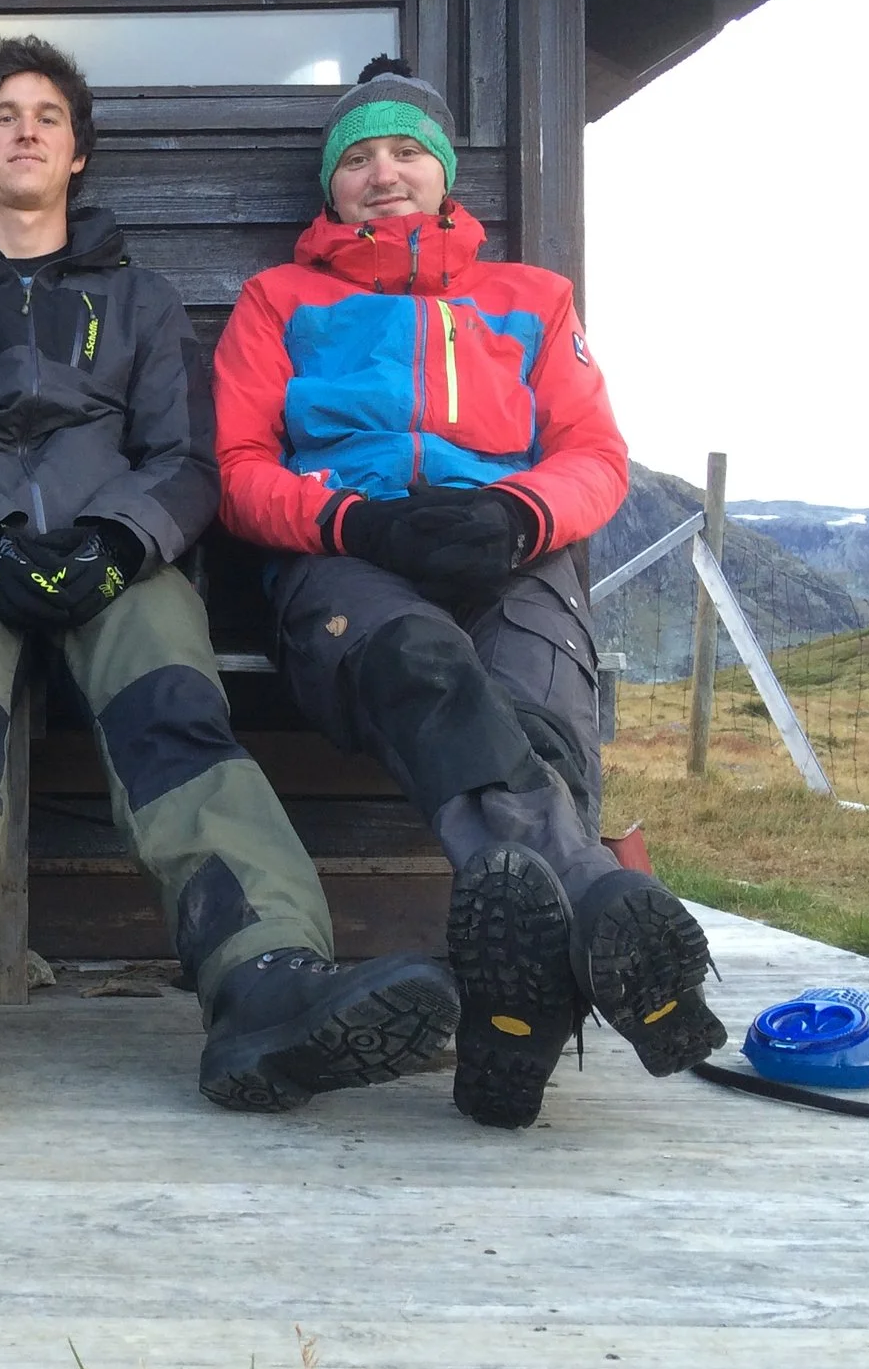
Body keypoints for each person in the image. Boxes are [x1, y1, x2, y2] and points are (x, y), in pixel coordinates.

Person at [0, 35, 461, 1115]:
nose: (24, 130)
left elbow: (189, 459)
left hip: (121, 564)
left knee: (175, 723)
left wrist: (117, 541)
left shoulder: (140, 299)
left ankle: (266, 980)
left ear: (77, 156)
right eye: (4, 114)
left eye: (47, 117)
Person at [211, 56, 725, 1130]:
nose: (382, 173)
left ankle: (516, 1021)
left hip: (508, 546)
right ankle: (586, 909)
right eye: (357, 158)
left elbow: (595, 453)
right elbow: (239, 469)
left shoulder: (531, 299)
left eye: (405, 152)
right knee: (421, 664)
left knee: (537, 705)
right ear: (329, 186)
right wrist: (353, 519)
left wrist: (515, 516)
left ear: (444, 175)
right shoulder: (277, 300)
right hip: (345, 553)